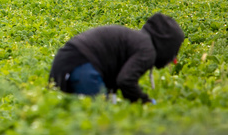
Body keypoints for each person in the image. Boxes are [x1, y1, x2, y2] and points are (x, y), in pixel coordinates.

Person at [49, 13, 184, 104]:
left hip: (65, 61)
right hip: (82, 66)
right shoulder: (147, 49)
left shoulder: (137, 40)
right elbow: (126, 81)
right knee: (97, 119)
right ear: (167, 45)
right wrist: (145, 102)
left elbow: (117, 78)